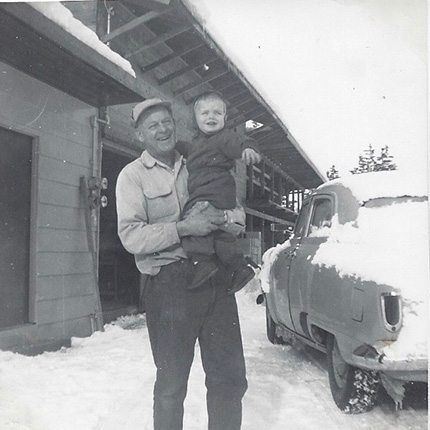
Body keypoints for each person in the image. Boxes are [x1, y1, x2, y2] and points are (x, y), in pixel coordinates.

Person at [116, 98, 248, 430]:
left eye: (166, 121)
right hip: (169, 285)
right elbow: (131, 237)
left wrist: (224, 218)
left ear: (176, 124)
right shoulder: (131, 177)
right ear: (139, 135)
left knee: (229, 379)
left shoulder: (201, 159)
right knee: (172, 385)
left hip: (216, 279)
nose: (162, 129)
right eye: (152, 126)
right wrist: (185, 228)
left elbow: (239, 217)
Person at [176, 91, 261, 292]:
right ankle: (239, 267)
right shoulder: (199, 142)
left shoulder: (224, 138)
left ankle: (201, 263)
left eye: (216, 112)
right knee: (220, 233)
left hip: (212, 190)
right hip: (220, 193)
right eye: (204, 113)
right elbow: (192, 151)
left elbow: (239, 141)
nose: (211, 117)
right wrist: (177, 146)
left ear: (225, 117)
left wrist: (248, 148)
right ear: (196, 119)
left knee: (191, 220)